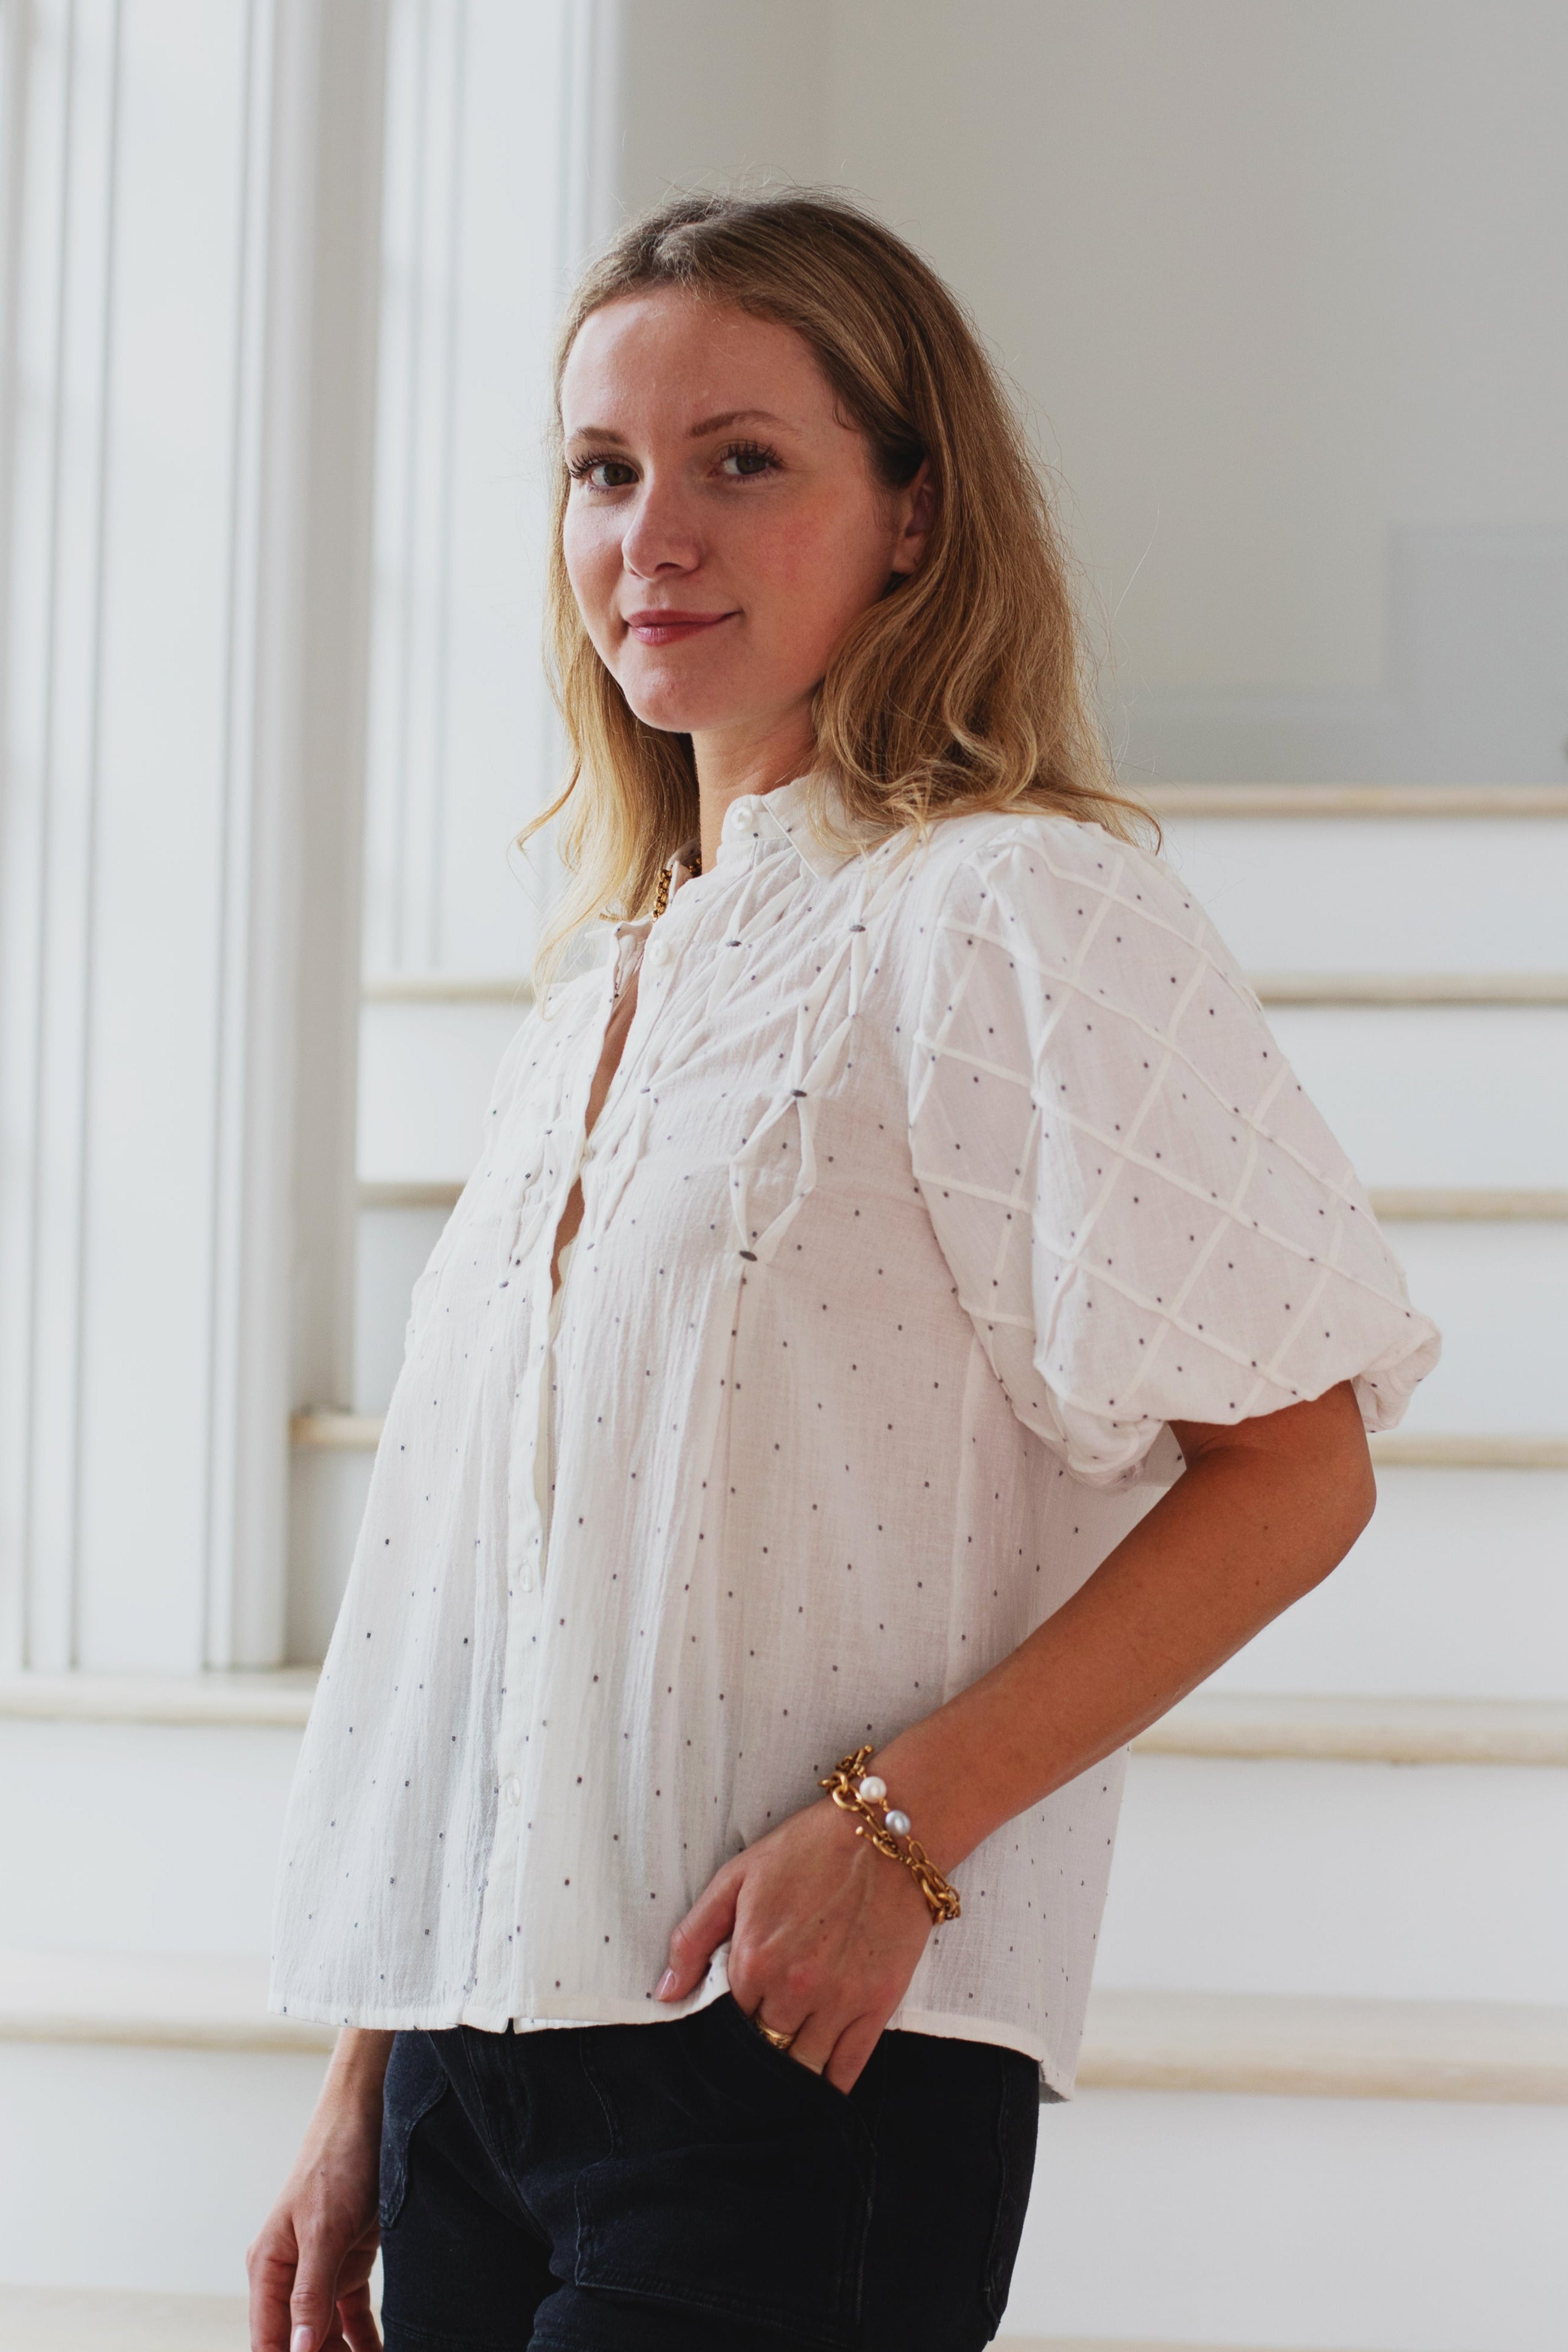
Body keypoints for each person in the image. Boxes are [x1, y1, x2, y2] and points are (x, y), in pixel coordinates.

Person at [250, 191, 1438, 2352]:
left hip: (793, 2059)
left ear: (913, 512)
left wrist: (897, 1837)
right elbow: (473, 1598)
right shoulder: (596, 995)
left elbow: (1297, 1465)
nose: (653, 535)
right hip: (467, 2081)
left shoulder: (1006, 909)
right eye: (603, 470)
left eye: (742, 460)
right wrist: (365, 2073)